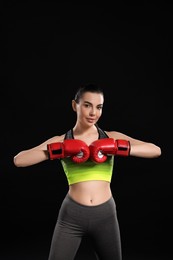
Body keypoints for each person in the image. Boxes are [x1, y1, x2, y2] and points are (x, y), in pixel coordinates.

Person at [13, 84, 161, 260]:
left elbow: (155, 150)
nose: (93, 113)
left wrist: (118, 147)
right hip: (71, 216)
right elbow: (19, 160)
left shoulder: (111, 137)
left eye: (99, 107)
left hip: (105, 215)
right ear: (75, 105)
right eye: (87, 105)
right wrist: (60, 150)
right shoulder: (61, 140)